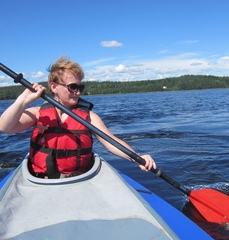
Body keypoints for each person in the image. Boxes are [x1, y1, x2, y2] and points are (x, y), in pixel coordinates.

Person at [0, 57, 156, 178]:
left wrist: (136, 158)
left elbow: (111, 142)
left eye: (80, 87)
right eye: (73, 87)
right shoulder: (37, 113)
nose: (78, 92)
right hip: (41, 181)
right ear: (54, 87)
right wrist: (23, 100)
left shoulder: (89, 117)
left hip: (79, 179)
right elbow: (5, 127)